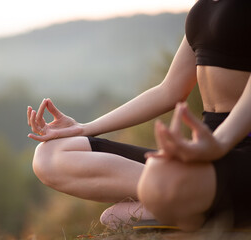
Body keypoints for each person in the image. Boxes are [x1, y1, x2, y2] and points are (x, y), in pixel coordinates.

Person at [27, 0, 251, 232]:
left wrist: (218, 144)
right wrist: (85, 128)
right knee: (48, 157)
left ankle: (182, 197)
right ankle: (181, 200)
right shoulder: (205, 5)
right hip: (205, 150)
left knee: (119, 216)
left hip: (240, 149)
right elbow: (170, 90)